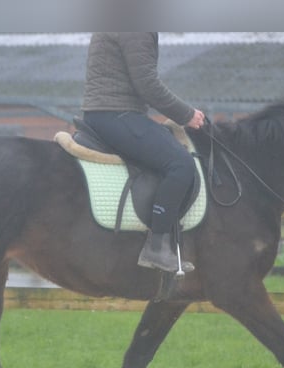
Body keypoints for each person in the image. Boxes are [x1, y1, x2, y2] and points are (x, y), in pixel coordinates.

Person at [81, 32, 205, 273]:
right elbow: (147, 83)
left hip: (105, 113)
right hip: (116, 114)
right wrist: (186, 114)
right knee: (181, 164)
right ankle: (157, 247)